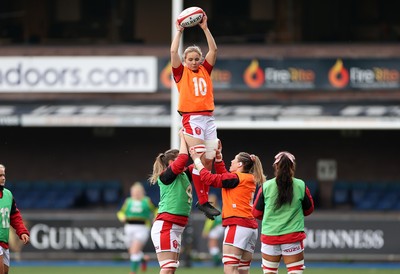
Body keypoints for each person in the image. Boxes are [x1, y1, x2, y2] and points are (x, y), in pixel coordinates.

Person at [189, 140, 266, 274]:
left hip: (237, 224)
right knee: (242, 270)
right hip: (250, 227)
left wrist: (196, 160)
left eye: (234, 160)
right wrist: (218, 156)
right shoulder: (246, 178)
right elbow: (225, 176)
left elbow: (209, 179)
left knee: (230, 268)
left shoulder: (237, 178)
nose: (231, 161)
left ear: (240, 164)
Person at [171, 11, 220, 219]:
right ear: (185, 60)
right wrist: (179, 31)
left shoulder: (205, 70)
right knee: (199, 155)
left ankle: (186, 170)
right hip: (192, 117)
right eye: (190, 59)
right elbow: (173, 52)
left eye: (196, 58)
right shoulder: (181, 73)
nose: (193, 62)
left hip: (208, 117)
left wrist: (205, 28)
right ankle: (202, 201)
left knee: (208, 161)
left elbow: (214, 49)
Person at [252, 151, 315, 274]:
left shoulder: (266, 186)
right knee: (295, 272)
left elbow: (256, 213)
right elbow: (309, 210)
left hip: (270, 236)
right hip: (292, 236)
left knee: (270, 272)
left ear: (276, 167)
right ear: (292, 167)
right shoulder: (301, 185)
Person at [148, 130, 194, 274]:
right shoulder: (166, 176)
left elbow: (202, 163)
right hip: (166, 225)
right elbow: (183, 158)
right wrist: (182, 138)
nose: (185, 164)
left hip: (176, 227)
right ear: (171, 162)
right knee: (167, 268)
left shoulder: (184, 174)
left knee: (171, 268)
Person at [117, 182, 157, 274]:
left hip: (142, 228)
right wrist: (122, 217)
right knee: (132, 251)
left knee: (134, 251)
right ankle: (143, 259)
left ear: (142, 192)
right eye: (134, 191)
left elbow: (156, 209)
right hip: (129, 227)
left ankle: (133, 271)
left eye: (138, 191)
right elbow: (120, 212)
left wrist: (155, 217)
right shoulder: (128, 201)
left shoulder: (147, 201)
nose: (136, 193)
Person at [0, 164, 30, 274]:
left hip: (4, 242)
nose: (3, 178)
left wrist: (22, 231)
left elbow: (14, 215)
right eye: (0, 175)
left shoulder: (8, 194)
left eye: (4, 175)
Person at [201, 193, 224, 267]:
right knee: (213, 244)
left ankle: (217, 260)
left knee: (212, 243)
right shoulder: (218, 208)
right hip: (221, 227)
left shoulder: (211, 209)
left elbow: (210, 222)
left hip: (217, 227)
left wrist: (206, 231)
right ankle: (217, 258)